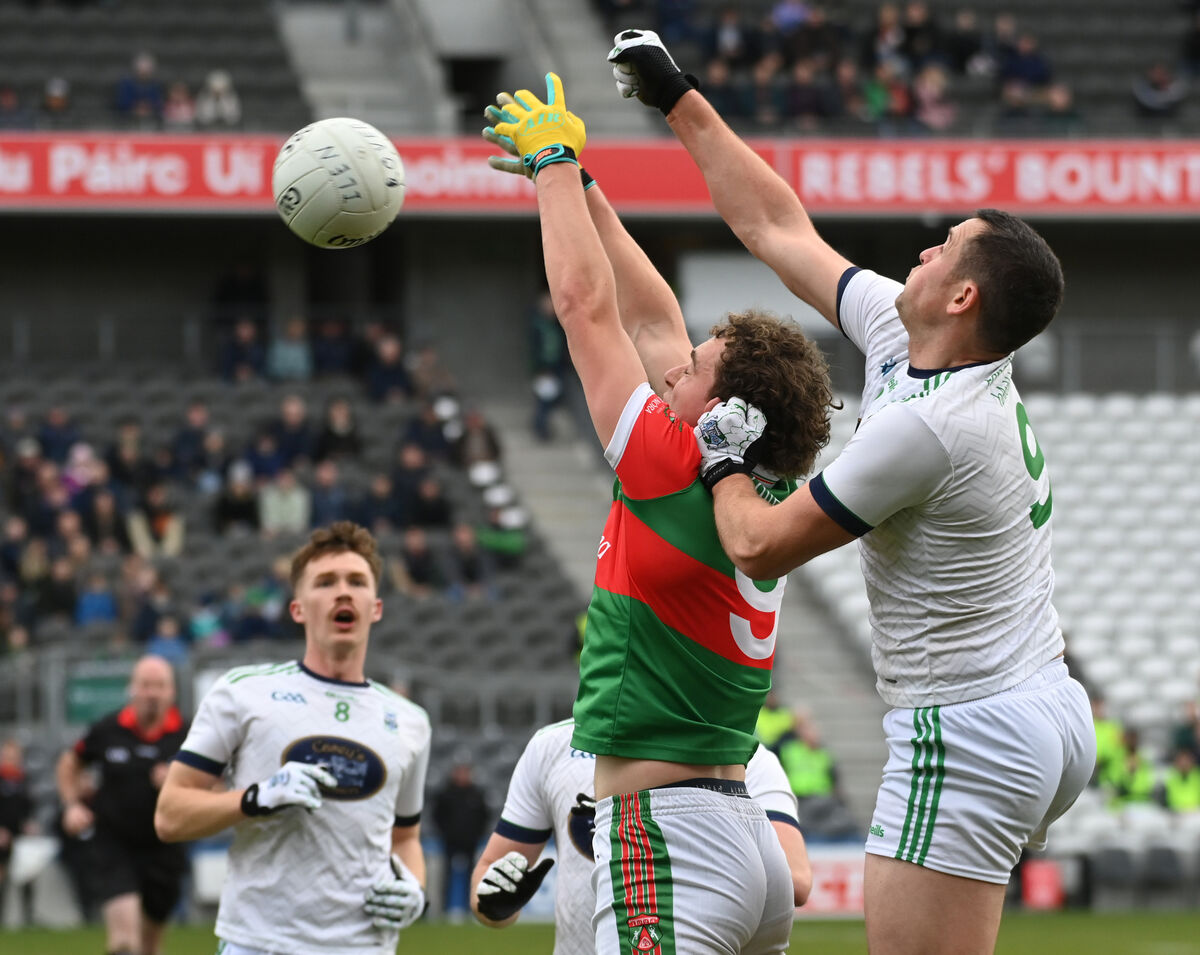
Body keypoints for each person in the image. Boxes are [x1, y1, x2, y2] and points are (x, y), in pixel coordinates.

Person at [606, 28, 1096, 954]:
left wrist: (720, 454)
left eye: (945, 248)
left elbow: (757, 542)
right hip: (1039, 700)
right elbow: (775, 227)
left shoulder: (930, 426)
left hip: (969, 723)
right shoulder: (904, 342)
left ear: (963, 299)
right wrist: (678, 98)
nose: (922, 249)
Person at [483, 73, 834, 954]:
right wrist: (591, 191)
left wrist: (552, 166)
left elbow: (586, 307)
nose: (676, 369)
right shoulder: (748, 480)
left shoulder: (668, 464)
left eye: (697, 368)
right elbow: (652, 318)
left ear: (730, 409)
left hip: (668, 832)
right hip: (742, 832)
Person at [154, 522, 432, 955]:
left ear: (375, 608)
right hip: (260, 943)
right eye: (325, 582)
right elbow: (170, 815)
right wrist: (255, 798)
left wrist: (414, 888)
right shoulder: (242, 692)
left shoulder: (411, 721)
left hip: (366, 947)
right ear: (297, 608)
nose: (343, 592)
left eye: (356, 582)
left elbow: (406, 839)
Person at [470, 719, 812, 950]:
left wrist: (665, 827)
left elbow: (795, 882)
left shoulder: (744, 757)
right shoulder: (552, 746)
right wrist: (495, 905)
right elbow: (489, 872)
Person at [55, 655, 190, 955]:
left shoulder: (188, 734)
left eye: (160, 685)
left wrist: (178, 783)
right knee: (125, 943)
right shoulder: (108, 728)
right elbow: (69, 763)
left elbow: (215, 785)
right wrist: (71, 805)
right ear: (132, 688)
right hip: (113, 843)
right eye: (145, 685)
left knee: (149, 945)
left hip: (165, 845)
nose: (152, 692)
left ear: (172, 691)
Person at [432, 760, 490, 920]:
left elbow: (484, 817)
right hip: (450, 842)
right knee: (446, 876)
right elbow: (437, 816)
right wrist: (445, 833)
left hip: (470, 842)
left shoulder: (476, 794)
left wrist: (477, 834)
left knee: (472, 877)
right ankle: (443, 910)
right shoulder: (445, 794)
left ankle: (469, 909)